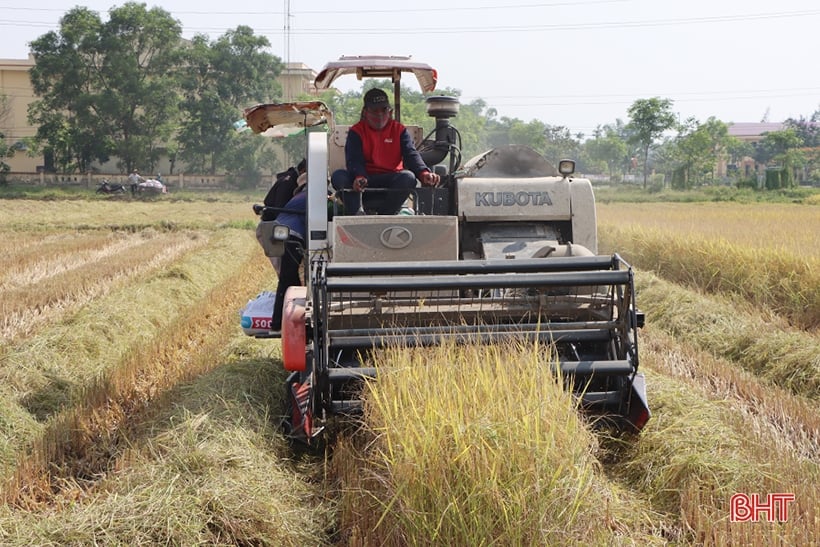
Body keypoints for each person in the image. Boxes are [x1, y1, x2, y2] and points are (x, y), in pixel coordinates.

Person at [331, 88, 440, 215]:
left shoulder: (399, 130)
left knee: (408, 177)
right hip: (363, 182)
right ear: (365, 112)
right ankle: (357, 214)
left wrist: (423, 172)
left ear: (390, 112)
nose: (380, 115)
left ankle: (386, 215)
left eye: (383, 110)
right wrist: (359, 176)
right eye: (374, 111)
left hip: (391, 181)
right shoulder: (357, 131)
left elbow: (411, 155)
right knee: (339, 176)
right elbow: (354, 160)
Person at [270, 179, 307, 332]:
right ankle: (282, 321)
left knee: (288, 277)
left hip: (279, 232)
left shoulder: (298, 197)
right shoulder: (313, 195)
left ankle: (287, 320)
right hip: (292, 234)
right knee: (288, 277)